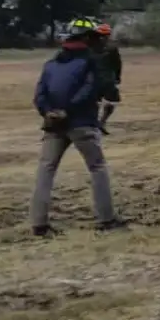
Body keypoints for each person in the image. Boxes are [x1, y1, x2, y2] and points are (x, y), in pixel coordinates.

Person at [29, 17, 123, 236]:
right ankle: (106, 219)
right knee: (97, 168)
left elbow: (39, 95)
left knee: (46, 169)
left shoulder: (50, 65)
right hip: (81, 123)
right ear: (87, 38)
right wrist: (68, 111)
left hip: (52, 125)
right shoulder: (93, 60)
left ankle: (38, 223)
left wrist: (49, 112)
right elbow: (90, 89)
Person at [95, 23, 123, 135]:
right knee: (113, 101)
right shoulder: (112, 47)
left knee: (94, 102)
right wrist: (117, 77)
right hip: (108, 80)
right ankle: (102, 122)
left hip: (93, 80)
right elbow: (117, 64)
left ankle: (94, 123)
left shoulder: (90, 46)